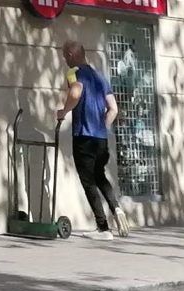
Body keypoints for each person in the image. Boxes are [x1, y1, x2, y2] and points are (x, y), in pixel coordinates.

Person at [61, 40, 121, 235]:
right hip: (101, 138)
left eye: (64, 56)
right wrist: (103, 126)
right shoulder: (99, 77)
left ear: (71, 55)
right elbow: (113, 108)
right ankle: (116, 208)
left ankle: (103, 227)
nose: (64, 60)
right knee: (100, 175)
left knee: (88, 182)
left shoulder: (73, 72)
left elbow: (76, 92)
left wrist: (64, 111)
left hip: (83, 136)